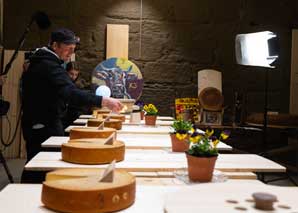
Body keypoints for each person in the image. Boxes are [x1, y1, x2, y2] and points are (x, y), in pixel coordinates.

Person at [21, 28, 122, 162]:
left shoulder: (46, 61)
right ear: (55, 45)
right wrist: (104, 101)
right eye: (68, 48)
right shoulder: (48, 65)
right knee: (41, 164)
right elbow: (70, 92)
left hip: (43, 121)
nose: (71, 53)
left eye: (73, 49)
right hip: (43, 124)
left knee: (40, 163)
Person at [62, 61, 85, 128]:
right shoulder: (62, 82)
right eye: (71, 74)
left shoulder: (80, 85)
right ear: (66, 72)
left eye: (76, 74)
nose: (73, 77)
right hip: (64, 116)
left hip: (75, 115)